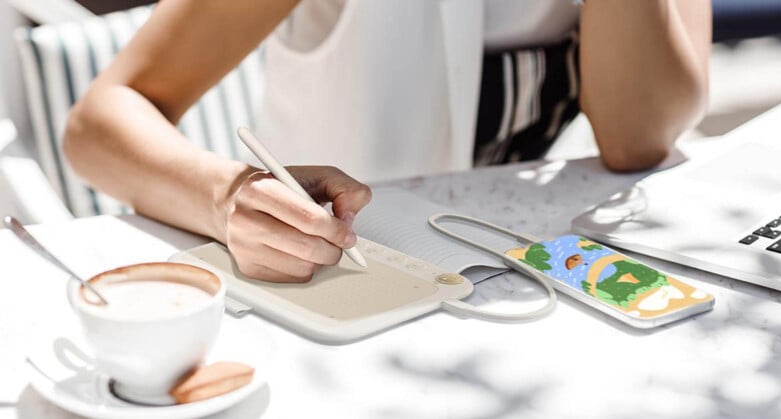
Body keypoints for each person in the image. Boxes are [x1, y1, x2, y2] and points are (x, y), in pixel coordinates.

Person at [63, 0, 710, 283]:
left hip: (539, 287)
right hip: (341, 293)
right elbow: (99, 124)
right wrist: (229, 198)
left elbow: (637, 139)